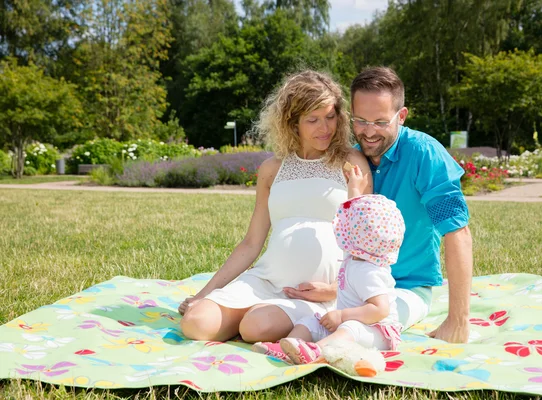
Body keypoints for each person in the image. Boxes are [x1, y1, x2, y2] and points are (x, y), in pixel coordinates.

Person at [178, 70, 372, 343]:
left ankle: (260, 319)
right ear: (293, 123)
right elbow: (251, 243)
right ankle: (244, 313)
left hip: (319, 294)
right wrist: (203, 295)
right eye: (313, 120)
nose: (325, 128)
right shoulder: (272, 169)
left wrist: (334, 290)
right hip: (267, 280)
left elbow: (364, 241)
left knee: (255, 328)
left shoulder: (350, 162)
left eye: (330, 116)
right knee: (195, 323)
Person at [349, 66, 473, 343]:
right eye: (360, 120)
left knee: (364, 332)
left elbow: (457, 232)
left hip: (406, 287)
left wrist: (458, 321)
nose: (369, 132)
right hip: (354, 285)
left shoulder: (424, 154)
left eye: (381, 122)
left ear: (401, 116)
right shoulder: (351, 157)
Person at [254, 194, 405, 364]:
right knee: (309, 322)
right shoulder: (355, 258)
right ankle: (288, 349)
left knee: (351, 328)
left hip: (377, 332)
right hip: (349, 324)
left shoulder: (369, 272)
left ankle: (317, 351)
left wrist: (341, 316)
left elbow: (380, 310)